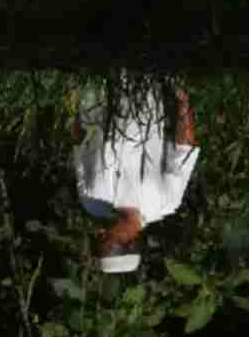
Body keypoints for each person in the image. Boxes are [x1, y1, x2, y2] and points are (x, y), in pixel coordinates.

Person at [75, 79, 200, 274]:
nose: (98, 232)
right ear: (129, 242)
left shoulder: (91, 202)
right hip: (147, 88)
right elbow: (184, 150)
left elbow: (79, 143)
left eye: (96, 238)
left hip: (99, 83)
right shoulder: (166, 202)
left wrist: (81, 91)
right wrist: (182, 101)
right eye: (104, 239)